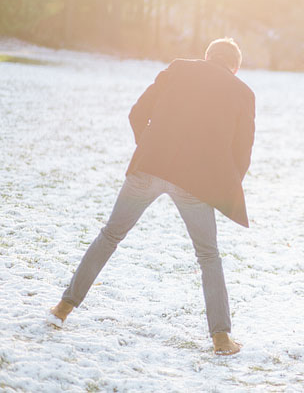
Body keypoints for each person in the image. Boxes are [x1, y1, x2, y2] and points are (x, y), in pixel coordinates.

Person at [49, 38, 256, 356]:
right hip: (197, 185)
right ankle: (221, 339)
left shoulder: (178, 69)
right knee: (209, 257)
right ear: (236, 67)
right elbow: (241, 154)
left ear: (206, 56)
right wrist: (221, 185)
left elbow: (137, 113)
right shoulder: (243, 92)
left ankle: (63, 308)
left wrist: (148, 149)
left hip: (149, 168)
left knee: (109, 236)